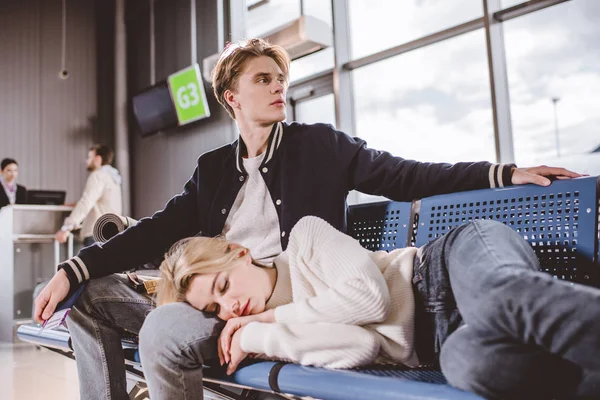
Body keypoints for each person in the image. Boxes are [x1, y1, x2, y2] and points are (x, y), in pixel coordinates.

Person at [34, 38, 582, 400]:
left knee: (160, 327)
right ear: (232, 97)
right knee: (90, 296)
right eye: (263, 80)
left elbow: (408, 177)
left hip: (310, 292)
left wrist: (500, 172)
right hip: (236, 307)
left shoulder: (319, 147)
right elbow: (158, 229)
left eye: (280, 78)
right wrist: (75, 269)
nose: (279, 87)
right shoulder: (211, 171)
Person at [157, 215, 600, 399]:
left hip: (446, 266)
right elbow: (359, 346)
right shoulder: (275, 337)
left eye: (223, 286)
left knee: (500, 298)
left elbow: (371, 297)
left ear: (238, 252)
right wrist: (258, 335)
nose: (230, 307)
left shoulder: (306, 238)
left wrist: (270, 316)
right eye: (215, 310)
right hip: (443, 346)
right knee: (475, 368)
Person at [54, 144, 123, 247]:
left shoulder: (98, 176)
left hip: (96, 234)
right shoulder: (113, 178)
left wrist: (66, 228)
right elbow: (101, 202)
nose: (87, 161)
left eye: (90, 157)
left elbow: (86, 202)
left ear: (98, 159)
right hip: (111, 234)